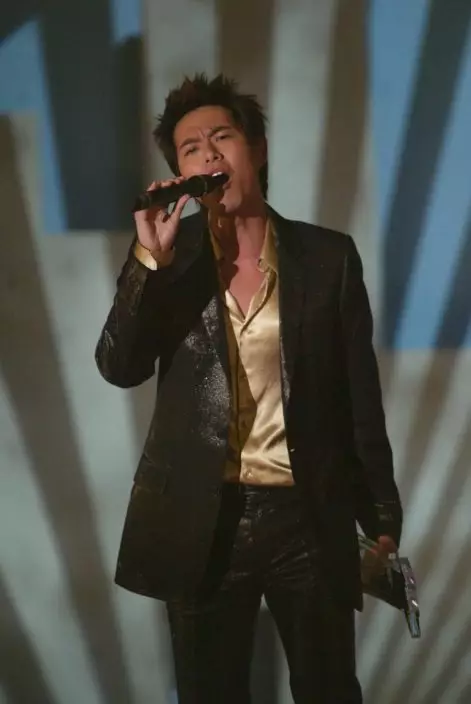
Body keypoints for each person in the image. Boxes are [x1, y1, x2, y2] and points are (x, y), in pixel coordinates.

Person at [95, 73, 403, 703]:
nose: (208, 154)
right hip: (204, 519)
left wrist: (380, 515)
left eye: (222, 137)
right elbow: (119, 366)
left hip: (306, 515)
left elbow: (358, 396)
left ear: (256, 150)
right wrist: (148, 262)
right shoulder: (171, 263)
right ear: (180, 174)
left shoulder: (328, 258)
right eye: (191, 148)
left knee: (328, 688)